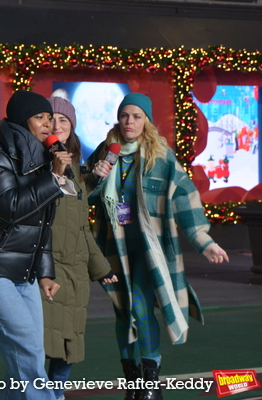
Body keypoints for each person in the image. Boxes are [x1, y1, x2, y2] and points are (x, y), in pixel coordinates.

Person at [84, 93, 229, 400]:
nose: (129, 122)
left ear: (146, 120)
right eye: (125, 116)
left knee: (139, 305)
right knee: (123, 313)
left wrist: (205, 242)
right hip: (113, 248)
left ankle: (150, 382)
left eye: (136, 116)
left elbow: (185, 199)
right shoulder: (105, 152)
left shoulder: (161, 156)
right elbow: (83, 194)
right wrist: (93, 177)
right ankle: (133, 382)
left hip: (151, 251)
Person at [0, 90, 74, 400]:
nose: (49, 125)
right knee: (26, 346)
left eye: (51, 118)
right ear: (23, 123)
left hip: (24, 270)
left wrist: (45, 272)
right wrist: (53, 178)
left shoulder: (43, 160)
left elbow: (41, 223)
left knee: (24, 352)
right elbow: (9, 207)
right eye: (40, 118)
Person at [41, 94, 117, 400]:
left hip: (73, 272)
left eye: (64, 121)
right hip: (46, 268)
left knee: (68, 344)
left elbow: (81, 226)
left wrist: (100, 268)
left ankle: (53, 395)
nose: (57, 126)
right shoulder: (35, 162)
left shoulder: (75, 169)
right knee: (37, 342)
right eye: (51, 120)